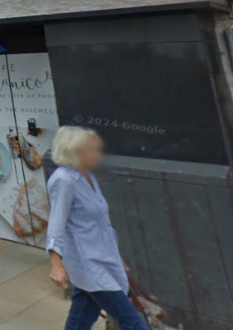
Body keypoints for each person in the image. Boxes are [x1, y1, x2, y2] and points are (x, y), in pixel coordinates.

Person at [47, 126, 149, 330]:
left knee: (81, 318)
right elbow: (57, 222)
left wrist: (116, 255)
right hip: (90, 265)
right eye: (91, 149)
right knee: (132, 321)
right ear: (75, 151)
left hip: (103, 259)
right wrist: (56, 263)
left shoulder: (88, 177)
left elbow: (101, 223)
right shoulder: (64, 180)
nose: (97, 154)